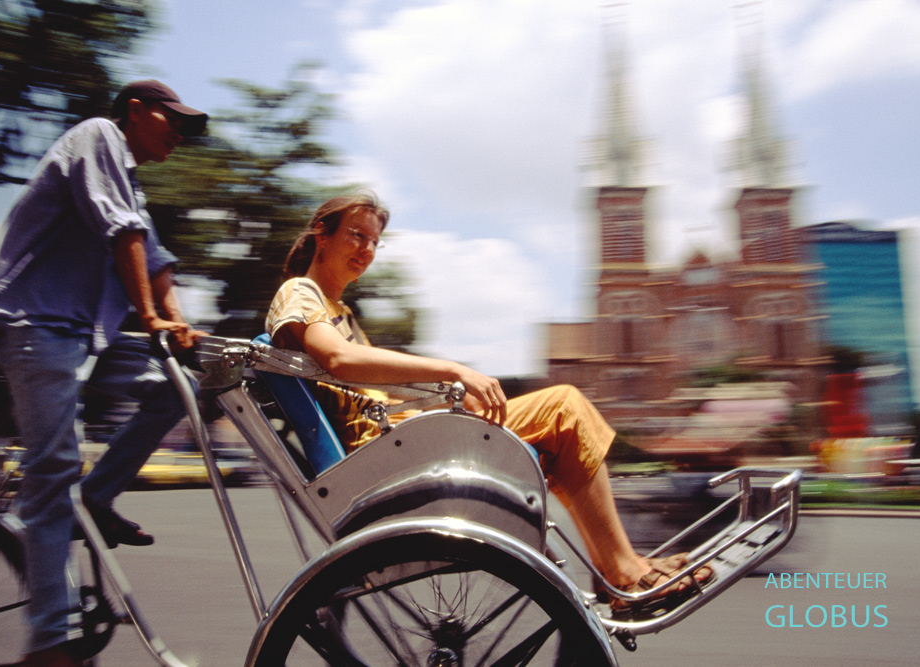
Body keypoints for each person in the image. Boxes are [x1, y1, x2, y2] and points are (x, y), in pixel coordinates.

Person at [265, 191, 712, 614]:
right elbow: (339, 359)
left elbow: (370, 380)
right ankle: (623, 572)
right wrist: (452, 371)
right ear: (321, 234)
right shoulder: (300, 292)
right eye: (356, 235)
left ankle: (616, 567)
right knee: (564, 408)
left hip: (398, 438)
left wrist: (448, 393)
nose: (367, 250)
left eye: (374, 242)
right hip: (383, 452)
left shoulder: (339, 310)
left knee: (558, 427)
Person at [0, 80, 208, 667]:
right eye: (171, 119)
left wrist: (179, 324)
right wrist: (151, 315)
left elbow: (154, 257)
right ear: (135, 111)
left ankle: (94, 499)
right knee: (53, 473)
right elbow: (122, 230)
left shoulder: (130, 180)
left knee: (182, 389)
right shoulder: (98, 137)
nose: (178, 133)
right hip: (33, 324)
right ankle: (50, 643)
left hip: (83, 335)